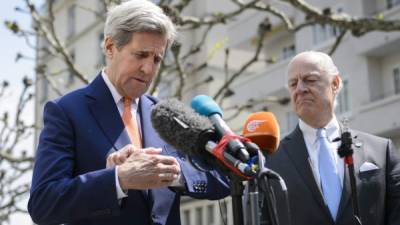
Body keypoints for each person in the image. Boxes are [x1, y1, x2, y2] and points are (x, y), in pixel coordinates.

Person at [28, 1, 230, 224]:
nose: (149, 69)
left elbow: (226, 177)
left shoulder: (167, 115)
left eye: (157, 59)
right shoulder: (66, 111)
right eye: (141, 54)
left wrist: (177, 174)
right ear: (110, 47)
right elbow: (43, 203)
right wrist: (118, 179)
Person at [265, 51, 400, 225]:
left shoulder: (381, 151)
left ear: (335, 83)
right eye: (293, 84)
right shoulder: (271, 160)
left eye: (310, 80)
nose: (300, 89)